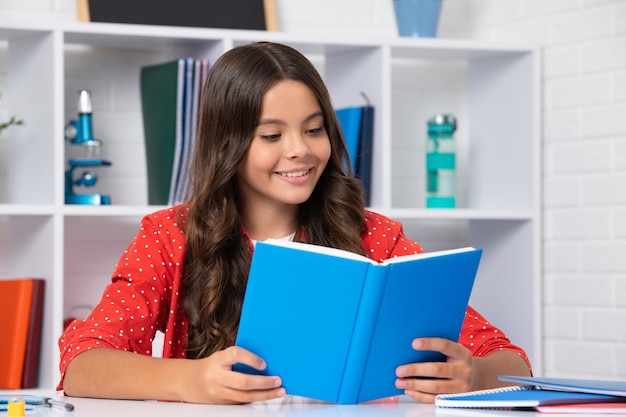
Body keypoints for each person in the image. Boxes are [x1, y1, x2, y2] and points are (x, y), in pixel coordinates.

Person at [58, 41, 532, 405]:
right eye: (271, 135)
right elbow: (81, 362)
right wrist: (191, 379)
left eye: (314, 128)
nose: (300, 150)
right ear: (229, 144)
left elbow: (513, 363)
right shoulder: (170, 235)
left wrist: (476, 376)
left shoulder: (377, 237)